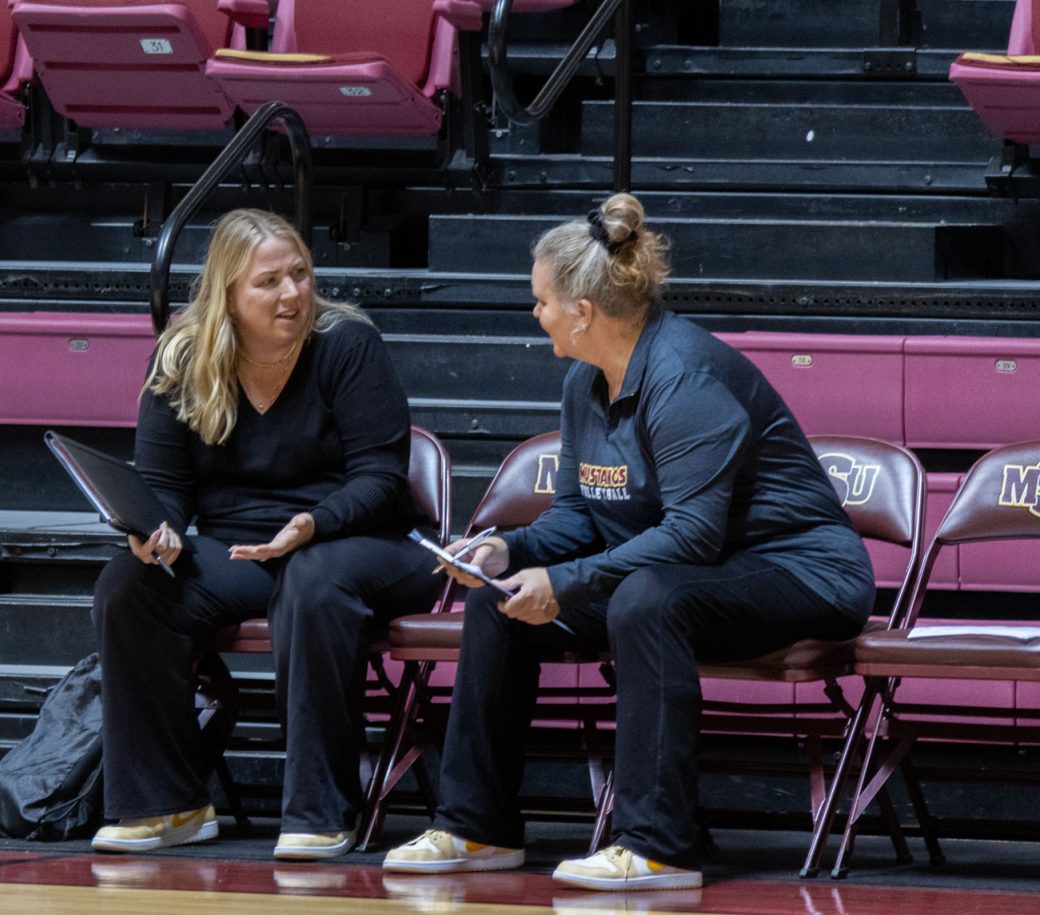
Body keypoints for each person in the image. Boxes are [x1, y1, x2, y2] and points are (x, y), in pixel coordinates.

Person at [382, 194, 876, 891]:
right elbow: (579, 517)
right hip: (689, 570)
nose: (535, 314)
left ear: (583, 310)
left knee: (645, 600)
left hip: (799, 570)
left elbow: (692, 537)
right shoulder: (584, 382)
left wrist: (566, 581)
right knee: (499, 605)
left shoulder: (684, 378)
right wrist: (509, 553)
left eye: (542, 301)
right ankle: (475, 826)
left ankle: (657, 846)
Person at [89, 209, 440, 859]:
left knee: (313, 578)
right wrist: (154, 529)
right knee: (129, 583)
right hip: (243, 548)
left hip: (369, 540)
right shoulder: (181, 356)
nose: (292, 293)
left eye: (301, 274)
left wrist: (313, 523)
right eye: (269, 281)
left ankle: (322, 808)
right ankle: (167, 804)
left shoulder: (347, 343)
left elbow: (381, 478)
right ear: (226, 294)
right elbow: (166, 487)